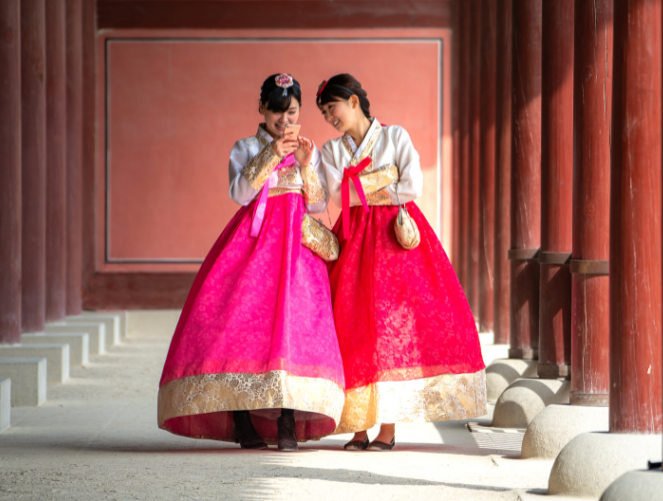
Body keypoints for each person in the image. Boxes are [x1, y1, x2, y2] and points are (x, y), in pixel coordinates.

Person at [157, 73, 344, 452]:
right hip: (253, 245)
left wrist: (307, 164)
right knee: (241, 327)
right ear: (261, 109)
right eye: (276, 112)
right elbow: (240, 192)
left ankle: (288, 419)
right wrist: (273, 152)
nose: (284, 121)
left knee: (295, 330)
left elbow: (320, 204)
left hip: (296, 251)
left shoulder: (309, 149)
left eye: (291, 112)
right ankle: (242, 418)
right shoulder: (244, 147)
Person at [316, 74, 486, 452]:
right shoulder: (330, 150)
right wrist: (384, 179)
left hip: (395, 242)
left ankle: (387, 429)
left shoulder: (396, 137)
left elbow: (411, 186)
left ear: (354, 101)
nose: (330, 117)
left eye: (333, 108)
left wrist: (358, 187)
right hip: (354, 241)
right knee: (353, 326)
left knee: (391, 331)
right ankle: (358, 427)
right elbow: (334, 194)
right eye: (325, 112)